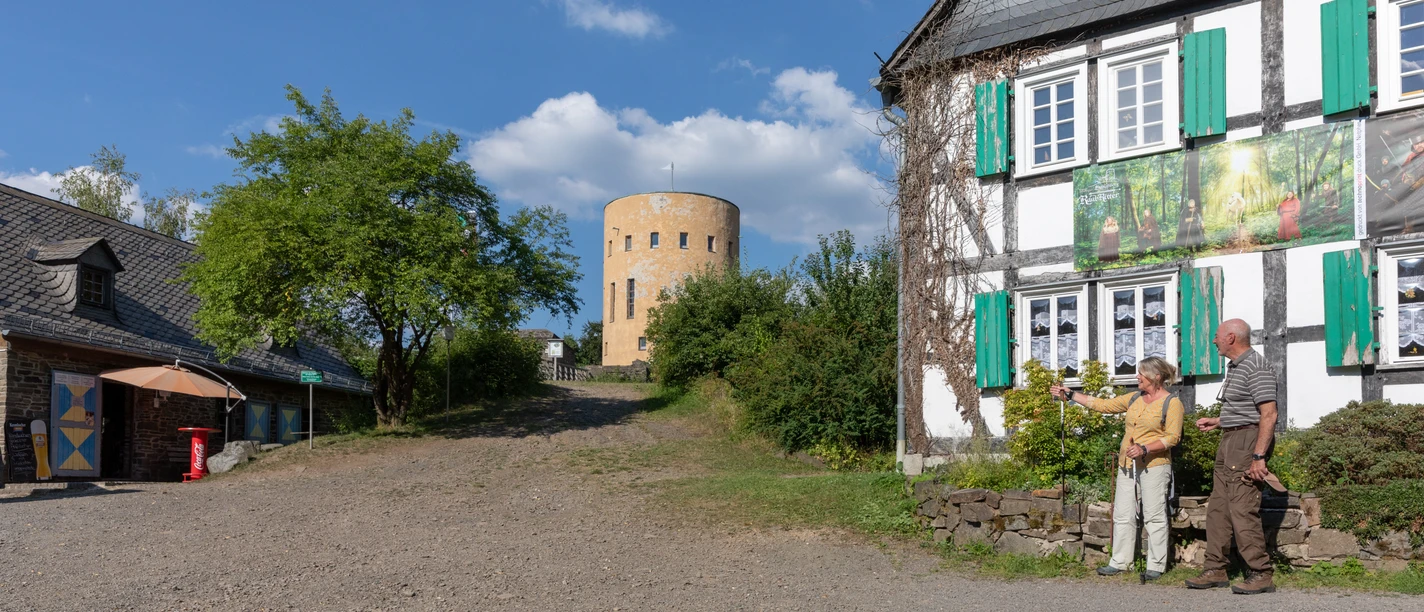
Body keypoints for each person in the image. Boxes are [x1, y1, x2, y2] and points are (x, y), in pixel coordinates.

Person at [1050, 357, 1184, 581]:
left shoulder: (1172, 403)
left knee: (1154, 516)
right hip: (1127, 465)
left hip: (1154, 466)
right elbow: (1103, 405)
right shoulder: (1134, 398)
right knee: (1122, 514)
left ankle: (1156, 566)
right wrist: (1071, 394)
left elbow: (1173, 437)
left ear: (1156, 376)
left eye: (1141, 373)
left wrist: (1145, 448)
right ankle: (1121, 562)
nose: (1137, 377)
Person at [1185, 319, 1279, 595]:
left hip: (1247, 442)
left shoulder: (1256, 366)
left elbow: (1269, 414)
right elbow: (1245, 409)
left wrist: (1258, 456)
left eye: (1216, 336)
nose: (1214, 341)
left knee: (1241, 508)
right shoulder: (1237, 366)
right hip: (1230, 439)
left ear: (1230, 338)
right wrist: (1220, 421)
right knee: (1218, 509)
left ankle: (1260, 573)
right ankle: (1215, 569)